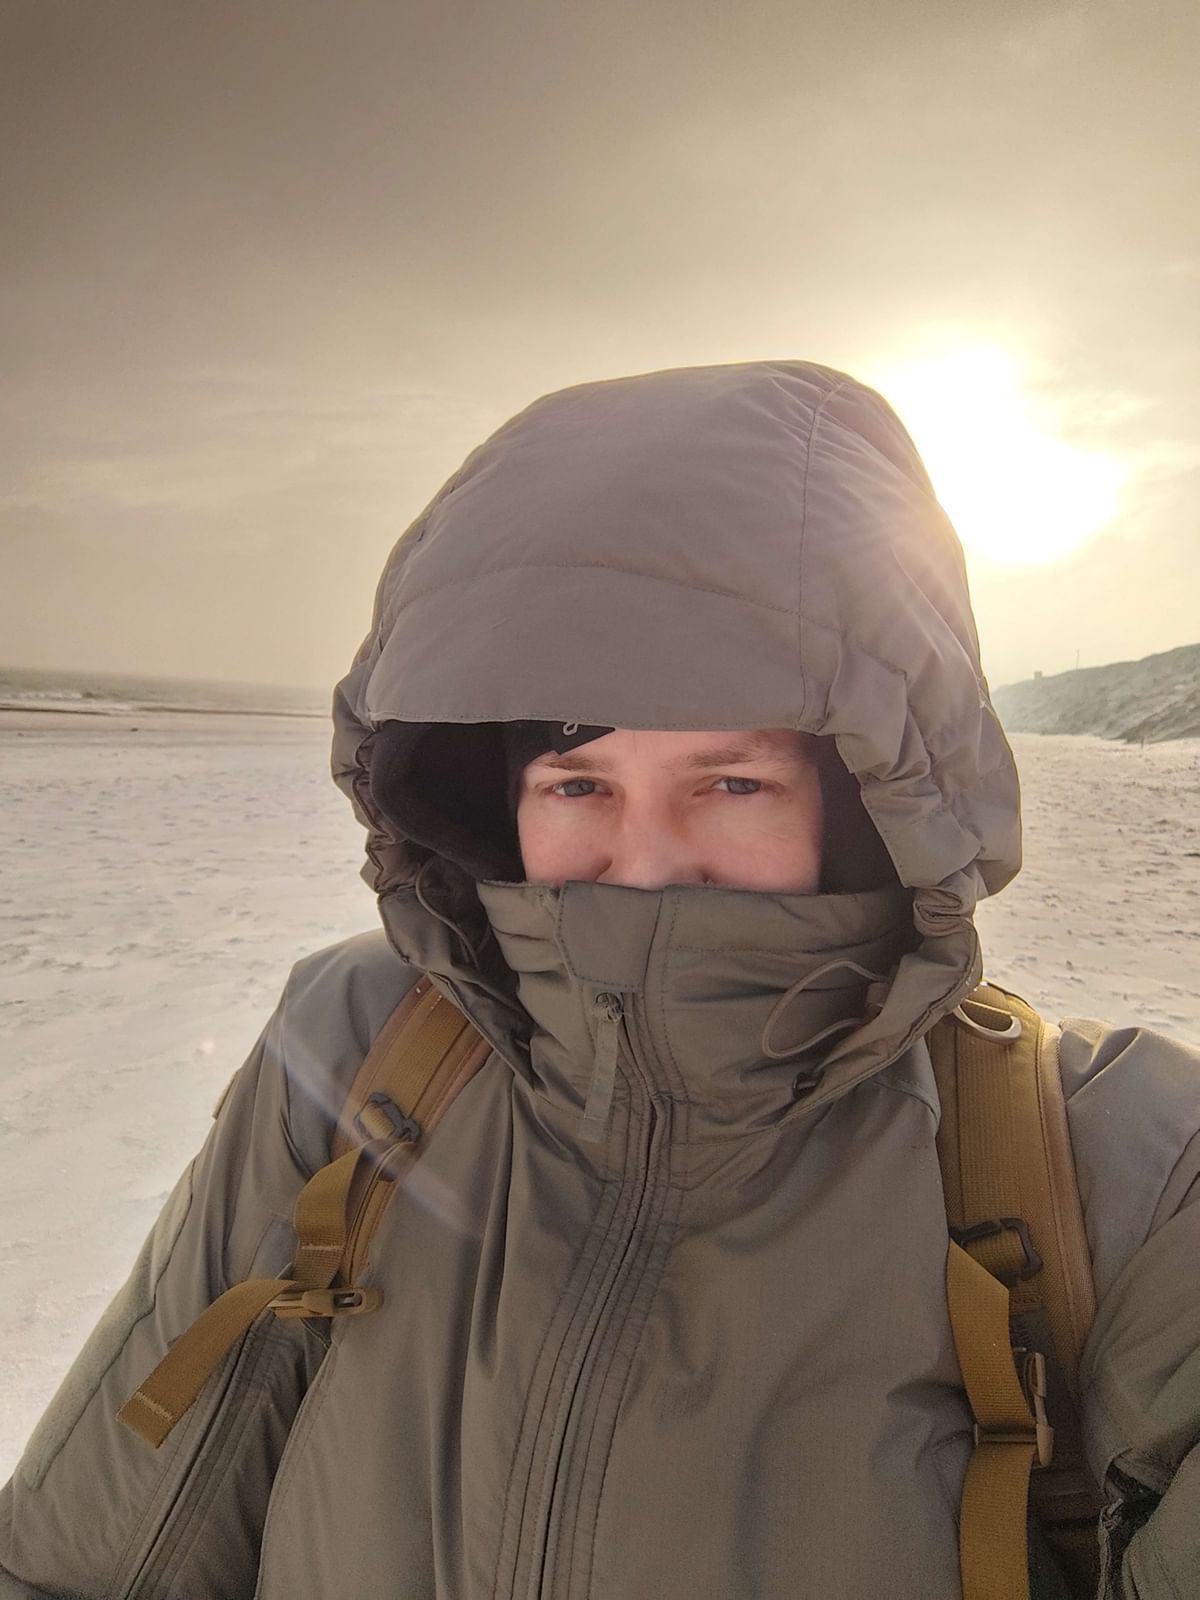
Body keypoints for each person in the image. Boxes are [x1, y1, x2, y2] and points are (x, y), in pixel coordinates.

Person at [2, 360, 1198, 1599]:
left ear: (864, 806)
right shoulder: (355, 1046)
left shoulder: (1126, 1162)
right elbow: (87, 1557)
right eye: (578, 783)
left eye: (732, 783)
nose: (646, 863)